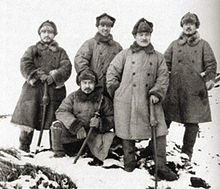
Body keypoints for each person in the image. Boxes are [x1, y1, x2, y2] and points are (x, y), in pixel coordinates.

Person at [106, 18, 177, 181]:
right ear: (135, 36)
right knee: (126, 130)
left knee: (160, 131)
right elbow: (112, 72)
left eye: (147, 34)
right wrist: (117, 91)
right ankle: (129, 161)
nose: (144, 38)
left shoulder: (158, 57)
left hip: (150, 100)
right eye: (141, 34)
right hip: (126, 100)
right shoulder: (124, 54)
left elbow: (163, 77)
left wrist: (157, 92)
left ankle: (161, 165)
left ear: (150, 36)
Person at [11, 20, 72, 153]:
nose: (46, 34)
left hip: (54, 90)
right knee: (28, 116)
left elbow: (66, 66)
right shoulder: (32, 49)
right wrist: (37, 75)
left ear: (54, 34)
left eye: (50, 32)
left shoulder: (61, 52)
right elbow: (25, 64)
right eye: (43, 31)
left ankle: (56, 147)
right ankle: (24, 147)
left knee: (54, 118)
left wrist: (54, 76)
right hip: (33, 90)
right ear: (39, 34)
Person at [163, 12, 217, 161]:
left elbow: (211, 65)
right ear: (182, 25)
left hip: (194, 90)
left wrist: (209, 79)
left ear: (196, 26)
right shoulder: (174, 44)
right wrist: (165, 78)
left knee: (192, 122)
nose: (188, 26)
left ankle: (187, 153)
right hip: (174, 89)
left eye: (191, 24)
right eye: (185, 23)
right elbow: (164, 63)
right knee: (165, 118)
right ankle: (154, 147)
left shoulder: (203, 45)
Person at [50, 69, 115, 166]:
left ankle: (91, 152)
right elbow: (61, 111)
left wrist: (100, 122)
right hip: (74, 135)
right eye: (84, 83)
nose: (87, 86)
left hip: (93, 135)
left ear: (95, 84)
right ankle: (59, 155)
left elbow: (112, 117)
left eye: (90, 83)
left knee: (110, 137)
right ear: (79, 84)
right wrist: (75, 126)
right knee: (56, 125)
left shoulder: (102, 99)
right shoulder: (73, 97)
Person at [74, 13, 122, 97]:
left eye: (108, 26)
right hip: (93, 88)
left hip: (110, 89)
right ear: (97, 26)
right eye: (102, 25)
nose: (105, 28)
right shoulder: (90, 44)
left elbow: (122, 66)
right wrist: (89, 77)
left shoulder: (117, 47)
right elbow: (80, 60)